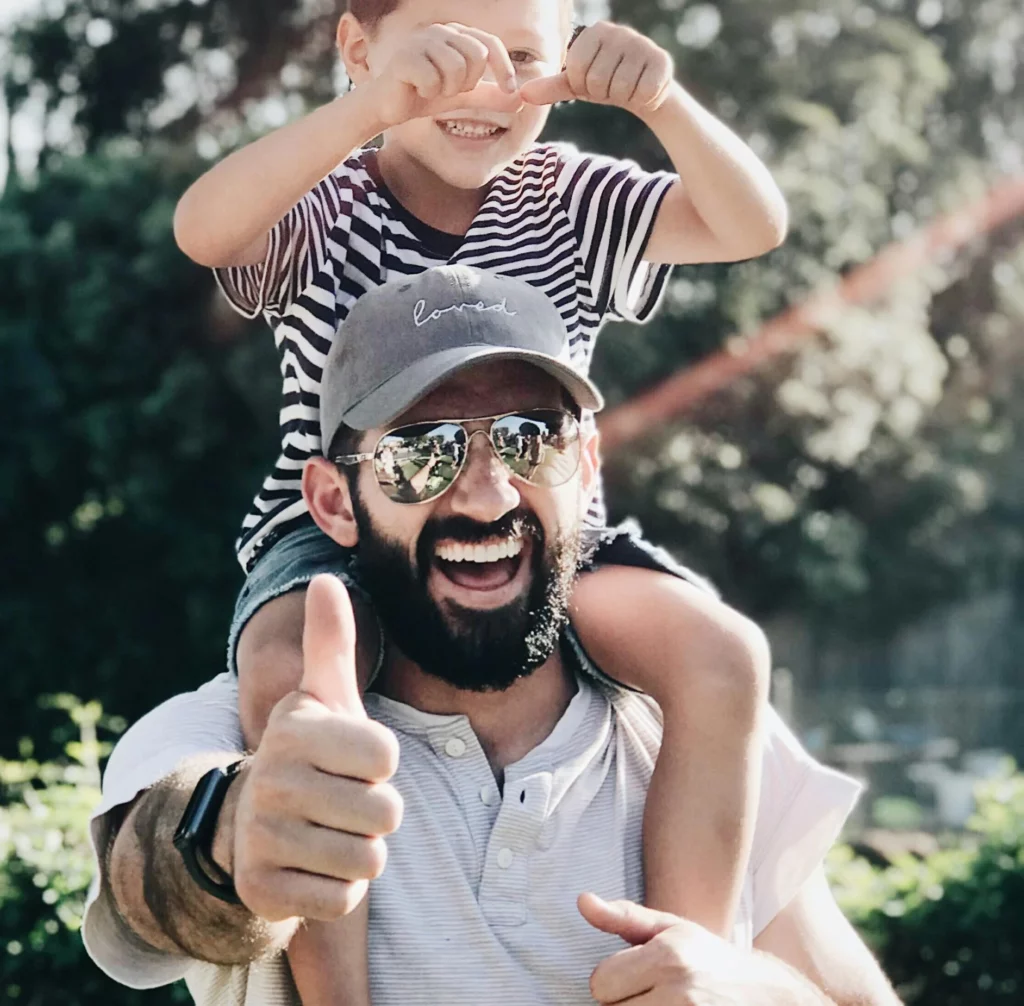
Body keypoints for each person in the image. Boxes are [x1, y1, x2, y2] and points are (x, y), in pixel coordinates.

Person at [172, 1, 790, 998]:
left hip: (548, 531)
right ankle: (334, 995)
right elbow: (203, 229)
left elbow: (751, 224)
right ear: (359, 48)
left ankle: (678, 961)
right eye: (442, 55)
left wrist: (662, 101)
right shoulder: (326, 202)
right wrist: (366, 109)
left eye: (518, 59)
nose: (480, 88)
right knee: (296, 671)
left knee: (723, 654)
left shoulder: (571, 197)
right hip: (340, 535)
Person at [84, 269, 901, 1006]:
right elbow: (145, 887)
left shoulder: (693, 740)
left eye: (529, 439)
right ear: (334, 501)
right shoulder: (247, 733)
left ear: (584, 469)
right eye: (420, 452)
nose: (485, 496)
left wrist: (757, 992)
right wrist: (225, 837)